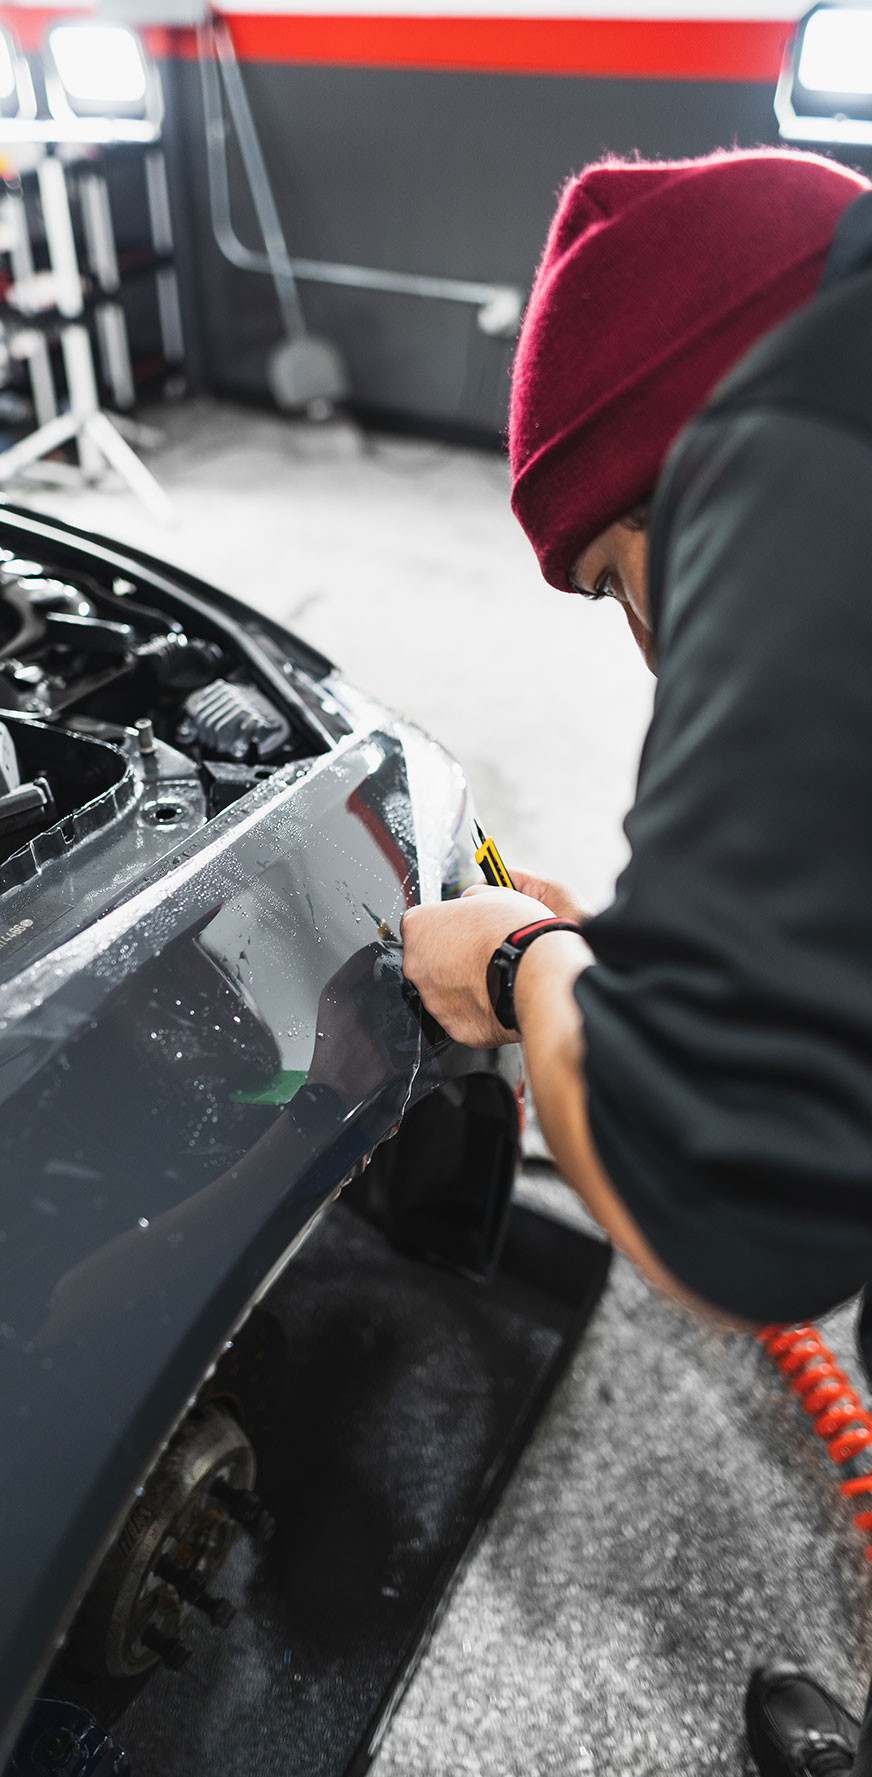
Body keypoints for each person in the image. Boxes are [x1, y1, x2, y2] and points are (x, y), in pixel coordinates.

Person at [400, 146, 872, 1777]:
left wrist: (533, 957)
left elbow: (725, 1187)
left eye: (617, 580)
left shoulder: (801, 439)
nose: (656, 651)